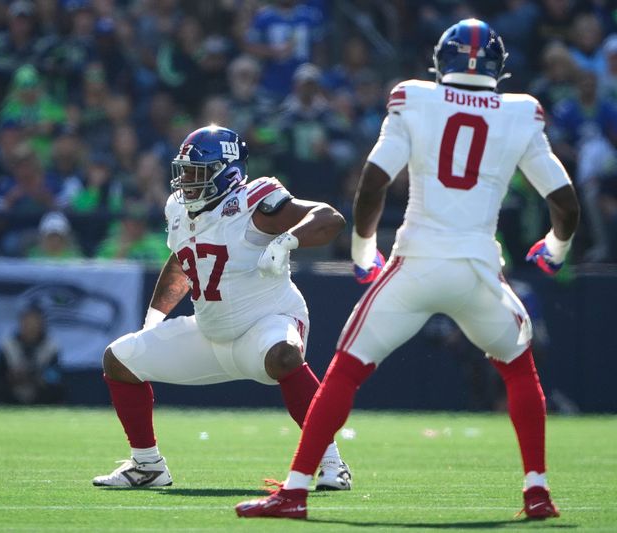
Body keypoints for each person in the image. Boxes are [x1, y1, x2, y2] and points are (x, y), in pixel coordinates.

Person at [236, 19, 580, 521]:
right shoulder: (521, 112)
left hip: (416, 262)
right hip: (478, 267)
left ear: (441, 61)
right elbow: (565, 201)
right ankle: (537, 492)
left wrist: (362, 252)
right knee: (519, 367)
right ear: (498, 69)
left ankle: (295, 491)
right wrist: (556, 248)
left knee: (346, 370)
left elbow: (373, 183)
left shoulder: (414, 99)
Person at [92, 125, 351, 490]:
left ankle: (332, 464)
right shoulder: (179, 209)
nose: (186, 181)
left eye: (196, 172)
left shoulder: (255, 202)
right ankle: (147, 466)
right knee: (119, 358)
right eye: (183, 171)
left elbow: (330, 218)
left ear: (226, 172)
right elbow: (184, 261)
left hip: (266, 323)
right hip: (211, 332)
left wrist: (287, 241)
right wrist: (154, 319)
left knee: (284, 356)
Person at [0, 303, 64, 405]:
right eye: (27, 322)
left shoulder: (51, 347)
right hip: (12, 397)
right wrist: (12, 376)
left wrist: (34, 376)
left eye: (35, 322)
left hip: (41, 397)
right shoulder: (8, 345)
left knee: (56, 391)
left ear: (42, 324)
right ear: (21, 323)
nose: (31, 326)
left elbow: (54, 377)